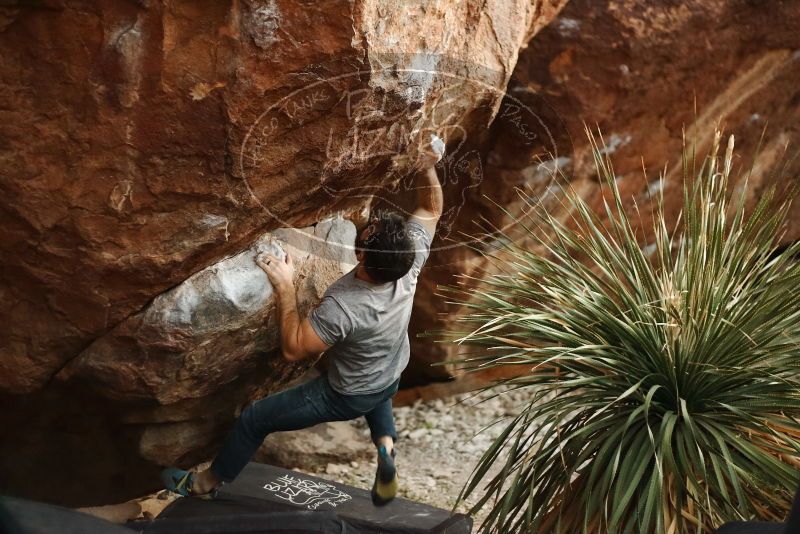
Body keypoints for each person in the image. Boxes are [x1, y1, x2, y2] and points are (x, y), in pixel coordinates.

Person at [161, 140, 443, 506]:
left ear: (362, 256)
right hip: (390, 370)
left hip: (347, 394)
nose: (371, 225)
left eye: (369, 234)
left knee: (254, 419)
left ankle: (206, 484)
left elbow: (294, 349)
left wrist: (285, 286)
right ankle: (386, 447)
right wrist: (426, 166)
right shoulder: (409, 261)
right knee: (380, 393)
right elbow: (430, 208)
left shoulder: (344, 307)